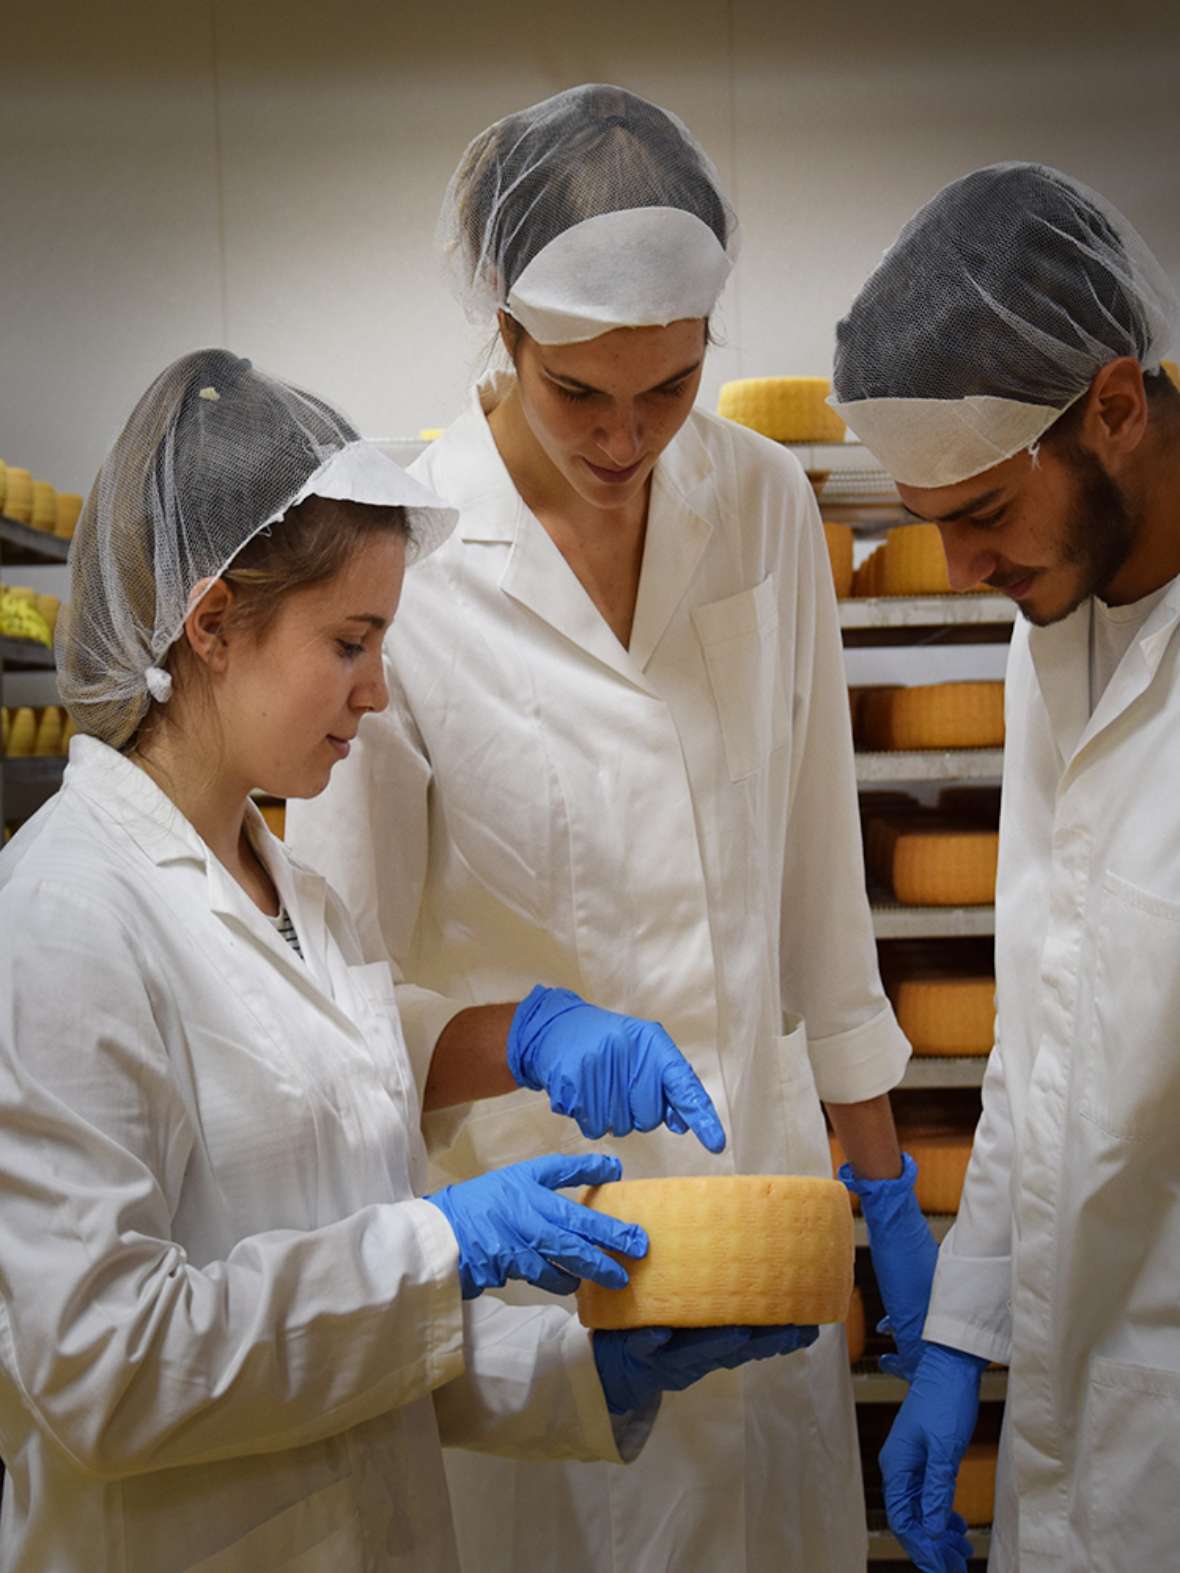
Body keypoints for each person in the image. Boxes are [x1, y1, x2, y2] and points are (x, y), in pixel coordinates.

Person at [0, 348, 819, 1573]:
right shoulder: (68, 918)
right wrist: (447, 1243)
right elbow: (107, 1367)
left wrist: (582, 1373)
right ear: (212, 623)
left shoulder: (297, 901)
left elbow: (348, 1331)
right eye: (349, 641)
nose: (378, 691)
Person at [287, 85, 934, 1573]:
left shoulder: (764, 504)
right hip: (540, 1253)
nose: (629, 436)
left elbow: (820, 874)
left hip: (762, 1223)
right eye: (583, 395)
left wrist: (880, 1168)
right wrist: (522, 1034)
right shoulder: (411, 558)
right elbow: (339, 993)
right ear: (504, 338)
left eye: (669, 388)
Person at [829, 163, 1180, 1572]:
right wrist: (962, 1337)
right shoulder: (1056, 633)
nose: (960, 564)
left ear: (1113, 406)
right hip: (1081, 1424)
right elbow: (1043, 1041)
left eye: (980, 509)